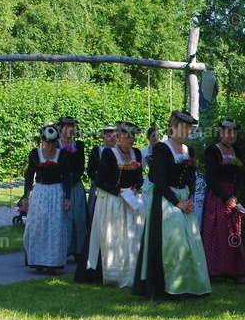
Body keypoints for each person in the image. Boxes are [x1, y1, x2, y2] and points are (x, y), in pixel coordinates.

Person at [132, 111, 211, 299]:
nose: (186, 131)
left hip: (185, 200)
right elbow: (159, 180)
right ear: (173, 127)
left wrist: (190, 198)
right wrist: (178, 202)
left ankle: (188, 285)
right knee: (173, 243)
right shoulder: (161, 148)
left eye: (189, 128)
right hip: (165, 201)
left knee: (190, 242)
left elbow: (192, 177)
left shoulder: (189, 150)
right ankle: (167, 288)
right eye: (182, 127)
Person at [75, 122, 145, 287]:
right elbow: (100, 181)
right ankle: (111, 272)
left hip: (130, 200)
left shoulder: (136, 153)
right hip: (111, 201)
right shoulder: (109, 154)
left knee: (132, 235)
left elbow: (140, 177)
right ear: (119, 136)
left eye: (132, 135)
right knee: (111, 235)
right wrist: (118, 191)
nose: (130, 138)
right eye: (126, 135)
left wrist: (135, 188)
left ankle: (131, 271)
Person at [21, 125, 72, 274]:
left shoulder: (62, 155)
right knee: (38, 225)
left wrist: (67, 198)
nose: (50, 146)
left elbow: (67, 178)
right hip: (40, 191)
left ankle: (52, 262)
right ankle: (37, 260)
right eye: (47, 142)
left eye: (53, 143)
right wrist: (25, 196)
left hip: (56, 192)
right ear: (42, 141)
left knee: (55, 227)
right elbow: (29, 175)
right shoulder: (35, 154)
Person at [202, 119, 245, 282]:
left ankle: (234, 271)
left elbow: (240, 176)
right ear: (221, 133)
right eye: (228, 132)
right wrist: (226, 198)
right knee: (217, 234)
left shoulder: (237, 151)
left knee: (233, 232)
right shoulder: (212, 151)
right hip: (217, 196)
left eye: (234, 132)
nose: (232, 135)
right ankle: (215, 271)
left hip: (232, 196)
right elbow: (210, 179)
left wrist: (235, 196)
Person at [57, 116, 88, 259]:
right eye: (66, 126)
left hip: (75, 184)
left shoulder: (79, 145)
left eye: (71, 126)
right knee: (61, 216)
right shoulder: (55, 144)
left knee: (78, 215)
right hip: (59, 183)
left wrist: (73, 179)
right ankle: (62, 249)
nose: (69, 129)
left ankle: (78, 249)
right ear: (60, 128)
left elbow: (81, 166)